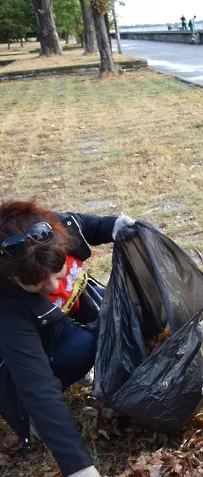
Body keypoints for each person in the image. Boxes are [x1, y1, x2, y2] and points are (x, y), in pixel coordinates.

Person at [0, 200, 135, 477]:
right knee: (78, 350)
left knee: (100, 331)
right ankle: (28, 416)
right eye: (39, 285)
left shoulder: (49, 231)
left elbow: (85, 224)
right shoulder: (7, 307)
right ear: (13, 278)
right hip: (12, 367)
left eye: (57, 275)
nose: (54, 287)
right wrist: (79, 467)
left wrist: (114, 226)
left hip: (54, 326)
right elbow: (37, 385)